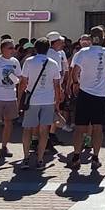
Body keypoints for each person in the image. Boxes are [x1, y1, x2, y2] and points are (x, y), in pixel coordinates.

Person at [67, 26, 105, 171]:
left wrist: (75, 83)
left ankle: (76, 156)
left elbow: (75, 71)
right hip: (101, 96)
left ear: (90, 38)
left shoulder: (82, 53)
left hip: (85, 94)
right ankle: (95, 157)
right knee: (98, 128)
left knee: (79, 128)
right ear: (101, 39)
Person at [18, 38, 62, 170]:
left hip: (32, 100)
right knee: (44, 131)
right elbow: (57, 85)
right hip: (48, 100)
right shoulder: (53, 63)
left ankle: (26, 158)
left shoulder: (29, 62)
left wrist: (20, 98)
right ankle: (40, 160)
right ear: (48, 48)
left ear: (35, 48)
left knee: (27, 130)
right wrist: (57, 102)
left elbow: (23, 82)